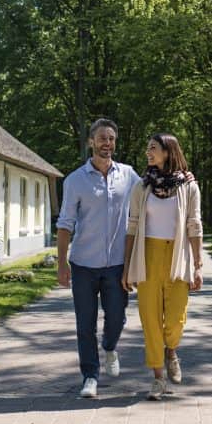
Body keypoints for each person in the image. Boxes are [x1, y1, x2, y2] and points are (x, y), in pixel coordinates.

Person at [56, 118, 141, 398]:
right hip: (83, 265)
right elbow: (65, 223)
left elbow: (153, 192)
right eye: (102, 138)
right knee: (85, 324)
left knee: (117, 318)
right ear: (91, 142)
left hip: (117, 264)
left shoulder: (129, 176)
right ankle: (90, 377)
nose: (107, 143)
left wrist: (182, 177)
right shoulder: (75, 181)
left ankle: (109, 347)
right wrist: (62, 263)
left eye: (112, 139)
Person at [122, 133, 203, 401]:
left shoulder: (189, 187)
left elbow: (194, 225)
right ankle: (158, 379)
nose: (148, 152)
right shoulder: (141, 187)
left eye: (153, 148)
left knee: (175, 320)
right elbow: (132, 226)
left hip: (177, 255)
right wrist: (126, 267)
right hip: (148, 257)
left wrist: (198, 265)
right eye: (147, 148)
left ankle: (171, 351)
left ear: (168, 152)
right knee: (150, 320)